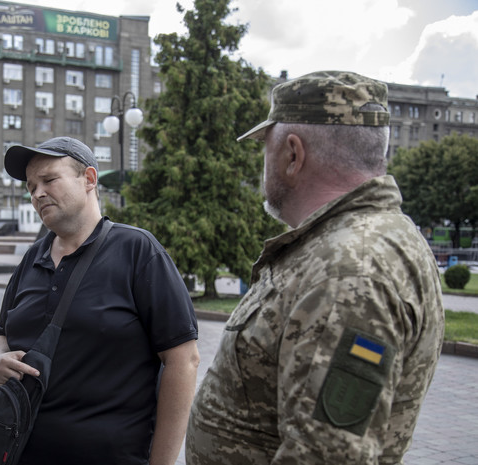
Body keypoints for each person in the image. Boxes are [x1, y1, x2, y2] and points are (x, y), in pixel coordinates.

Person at [186, 71, 445, 464]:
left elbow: (327, 455)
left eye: (266, 148)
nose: (263, 163)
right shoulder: (346, 245)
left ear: (293, 154)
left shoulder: (350, 269)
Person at [0, 136, 201, 465]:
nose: (37, 193)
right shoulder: (32, 258)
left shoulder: (137, 250)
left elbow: (183, 361)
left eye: (49, 180)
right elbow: (0, 332)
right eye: (31, 187)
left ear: (88, 179)